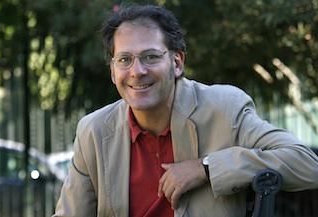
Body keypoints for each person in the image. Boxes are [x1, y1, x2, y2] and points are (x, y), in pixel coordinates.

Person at [53, 4, 318, 217]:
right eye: (125, 59)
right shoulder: (94, 131)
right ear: (113, 71)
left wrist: (207, 168)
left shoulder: (225, 109)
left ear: (177, 62)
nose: (137, 71)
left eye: (151, 57)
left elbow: (306, 165)